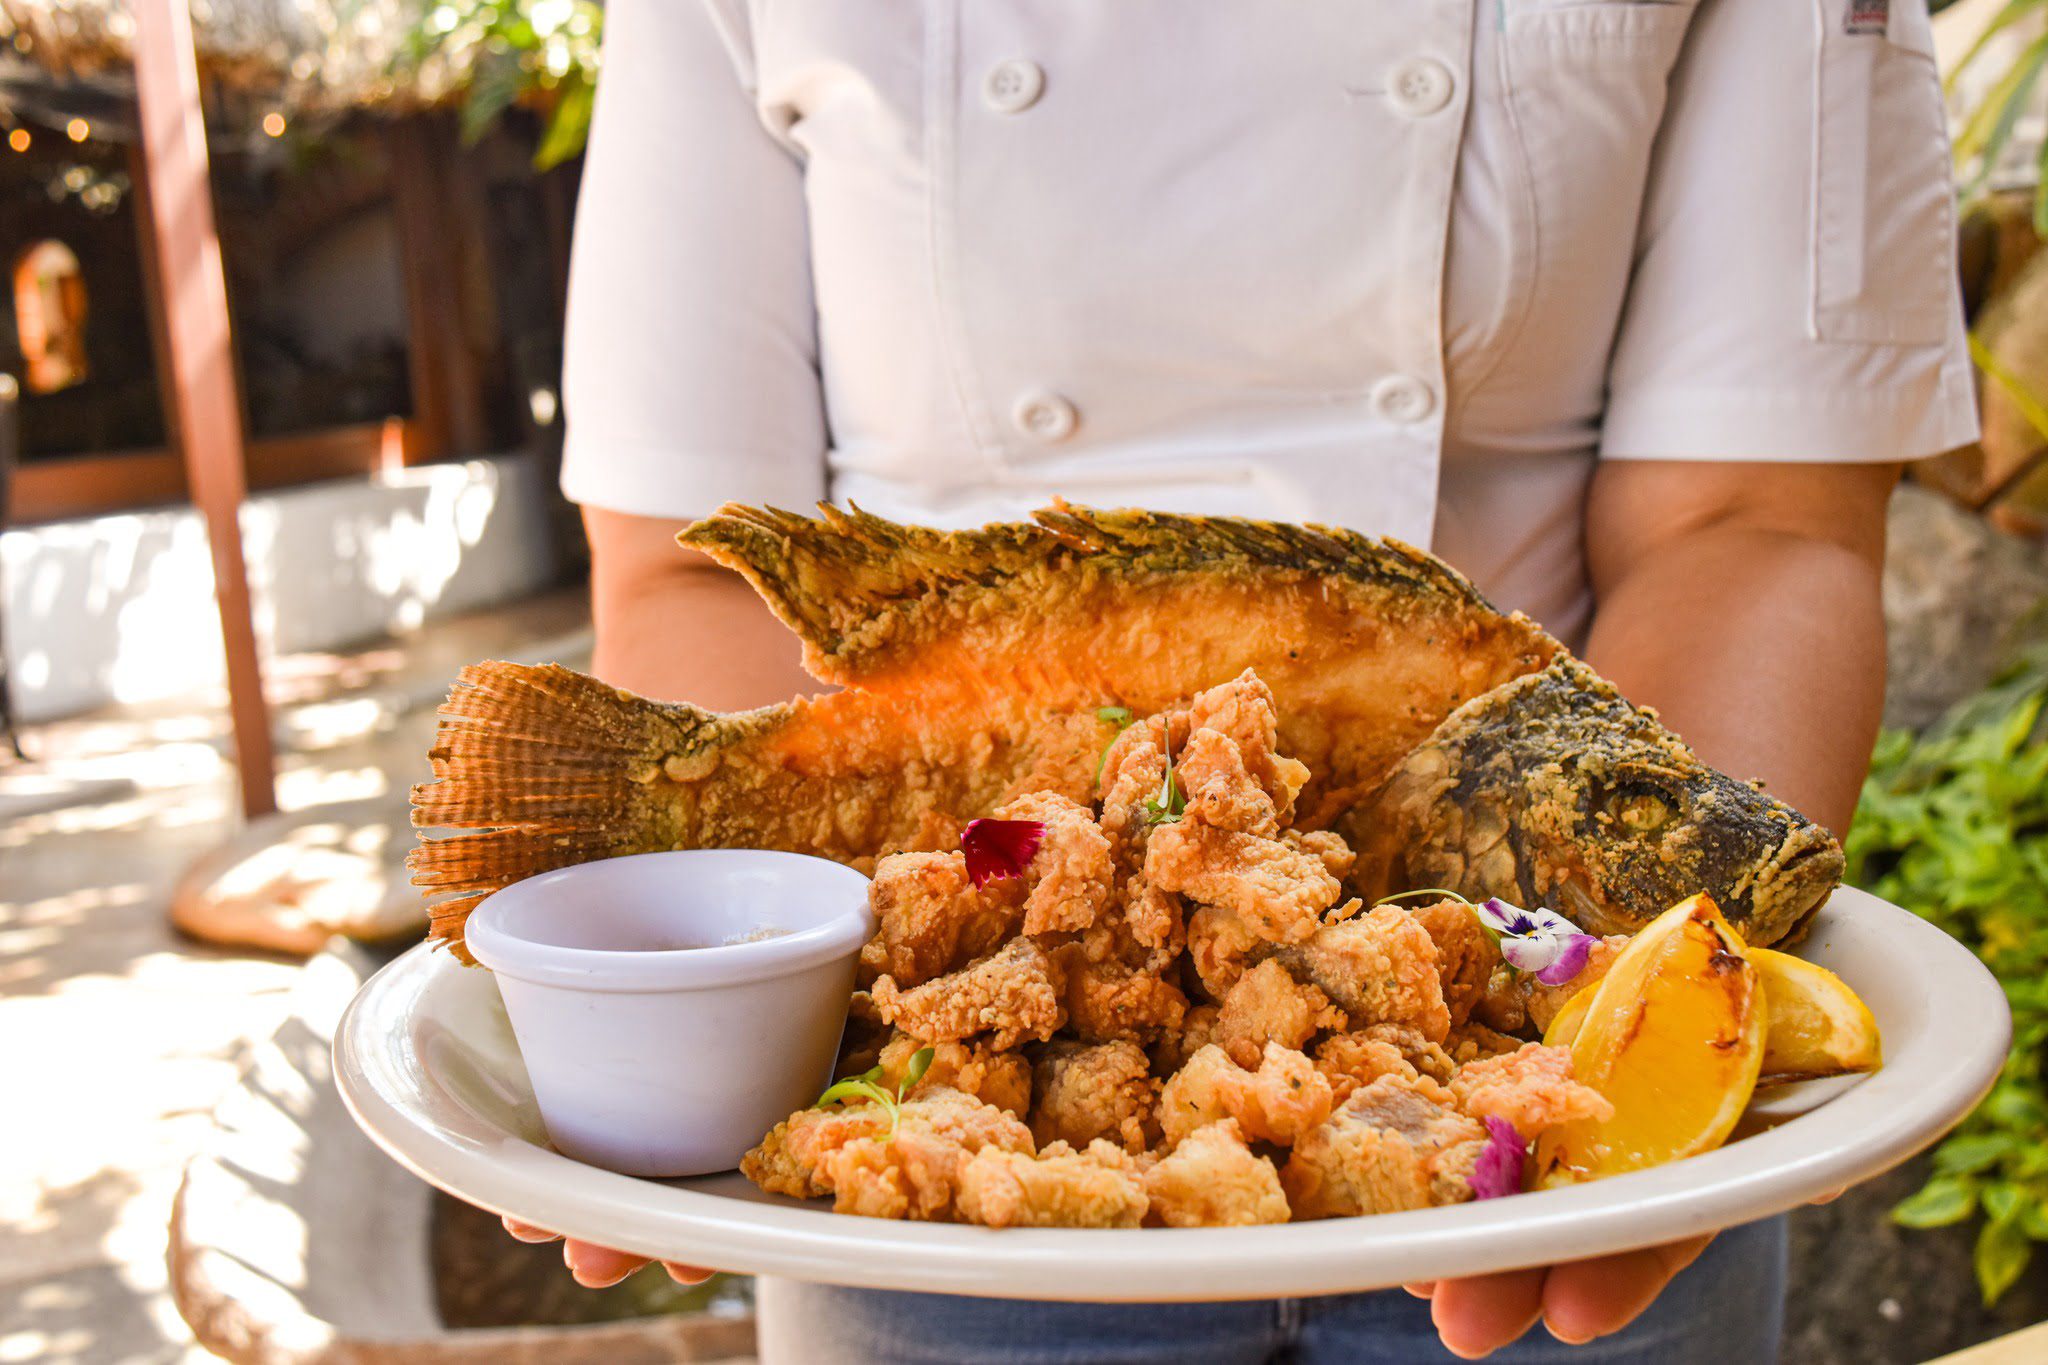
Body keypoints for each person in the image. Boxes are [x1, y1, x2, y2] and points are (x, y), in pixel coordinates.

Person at [496, 0, 1976, 1359]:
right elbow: (689, 561)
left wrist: (1639, 1048)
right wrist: (698, 1004)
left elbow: (1753, 517)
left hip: (1542, 1139)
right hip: (940, 1204)